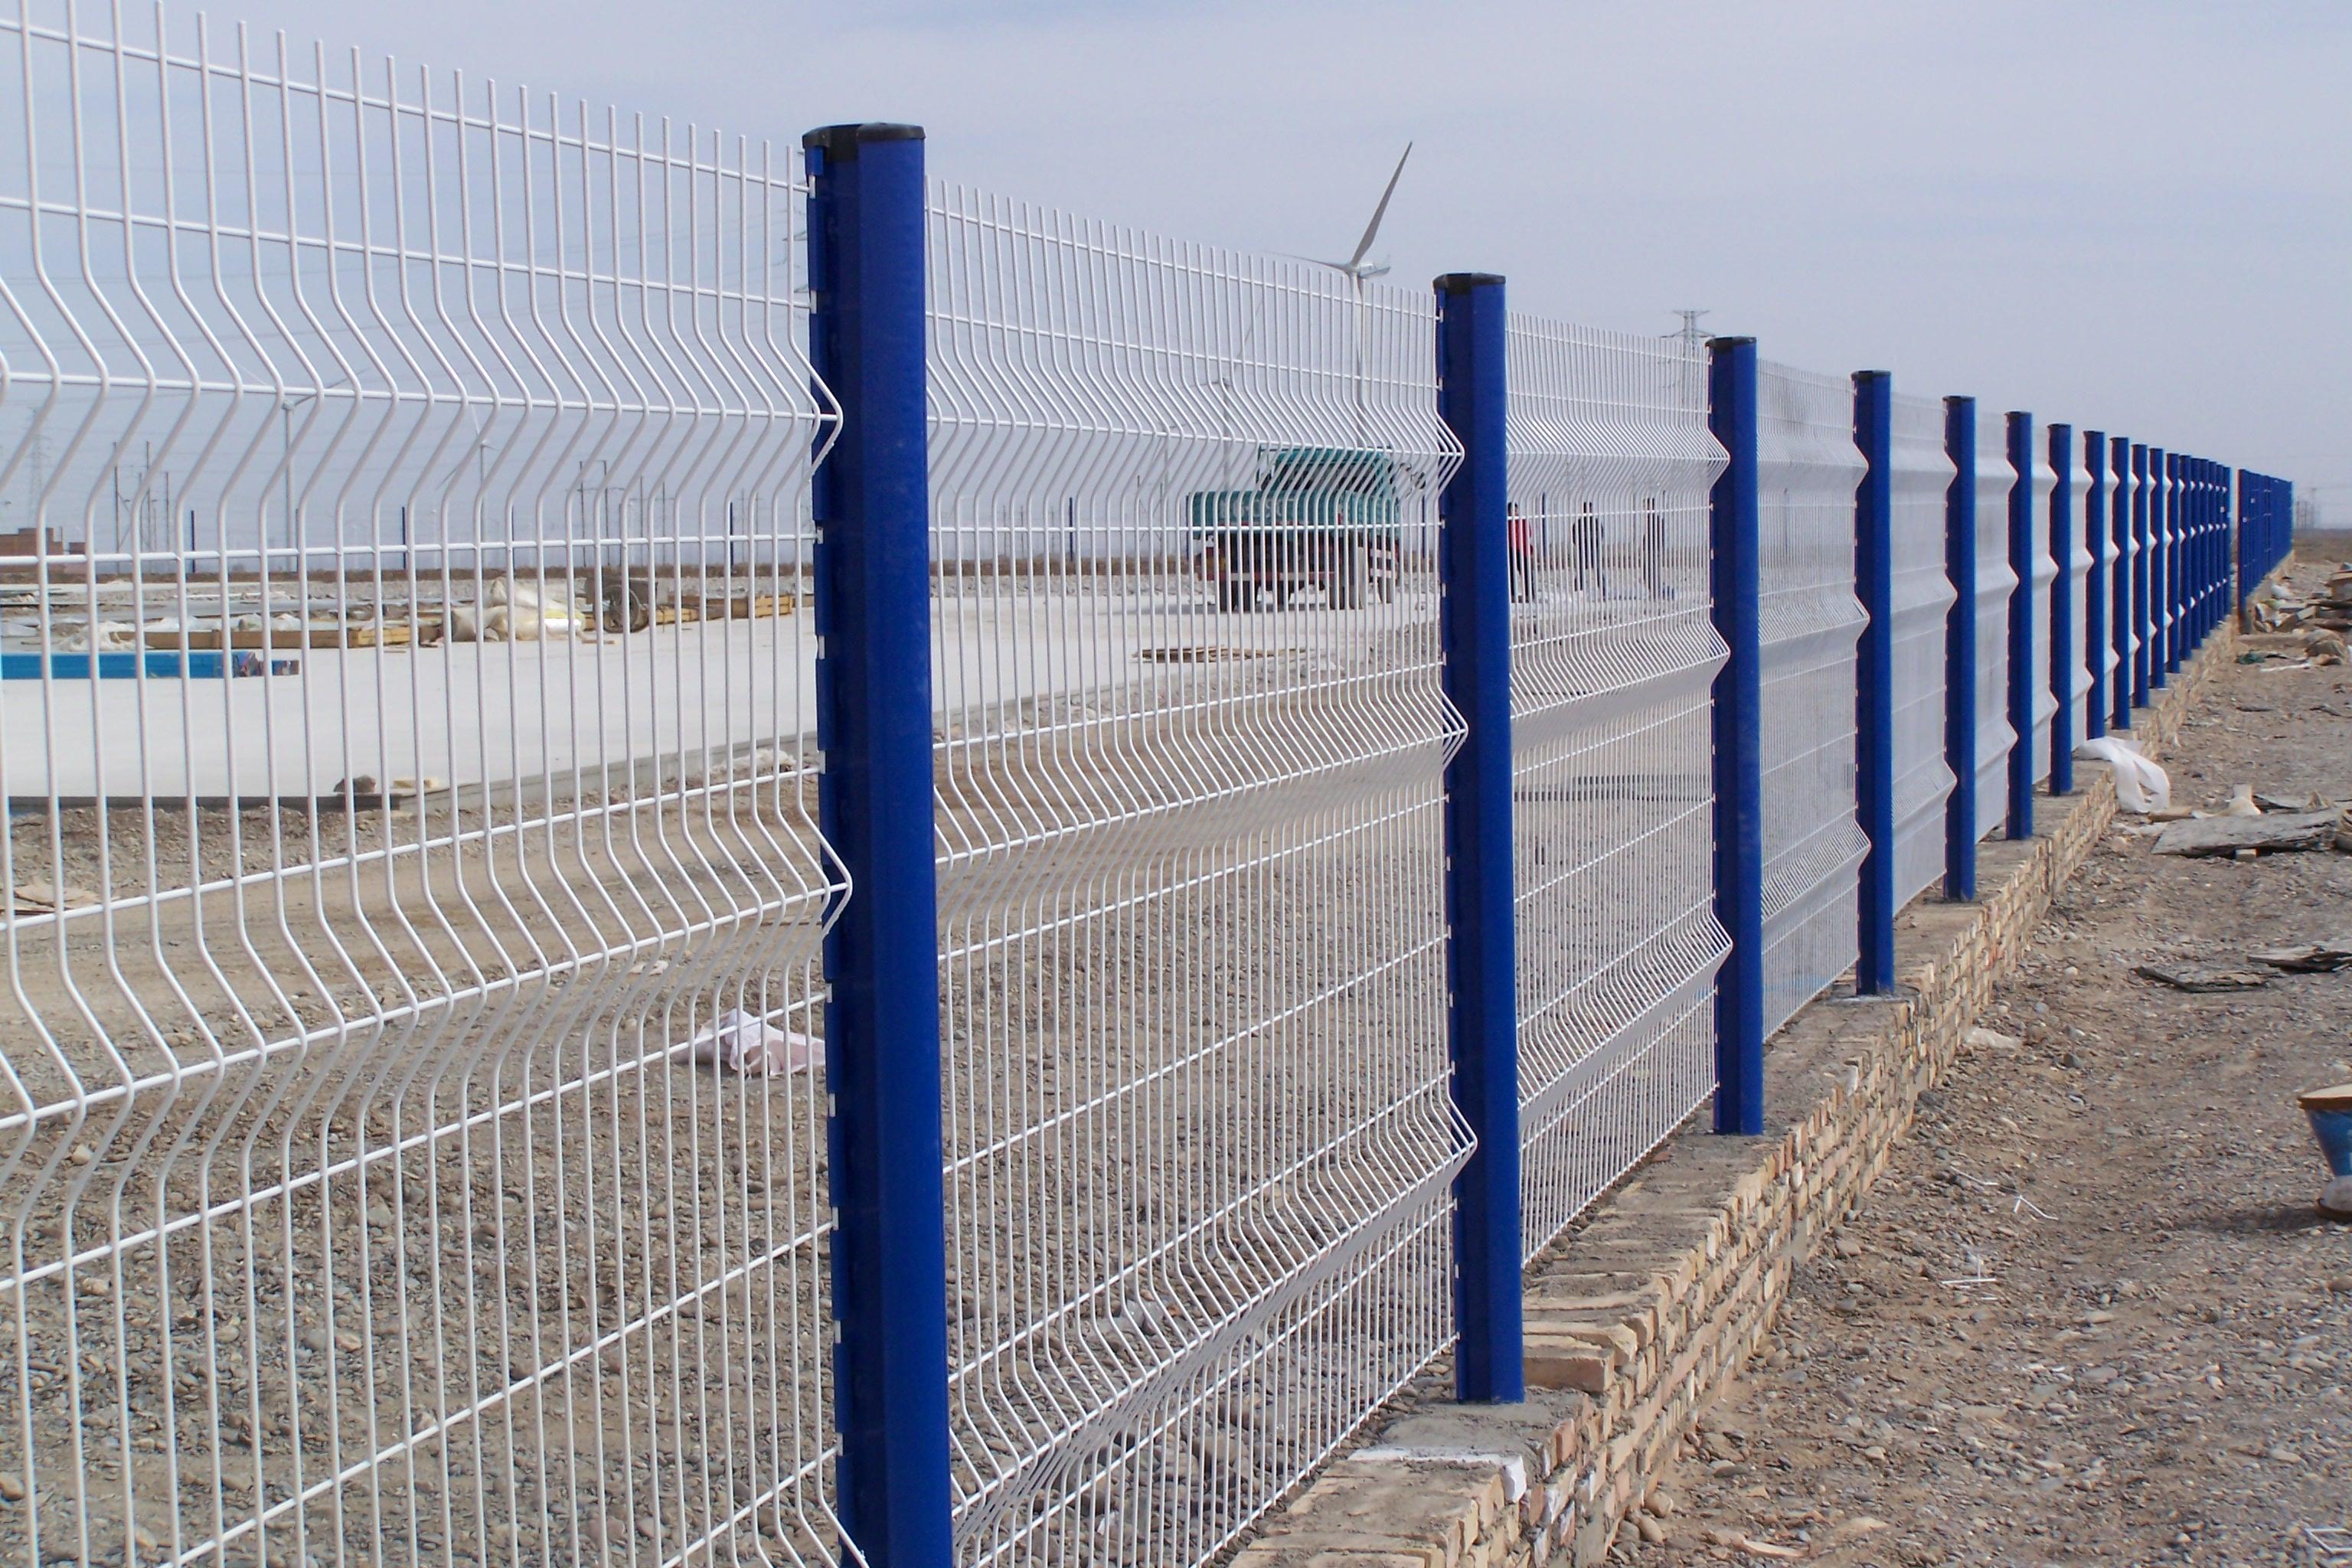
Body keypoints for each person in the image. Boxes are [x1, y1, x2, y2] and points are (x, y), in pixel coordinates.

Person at [1641, 495, 1671, 599]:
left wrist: (1654, 546)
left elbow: (1656, 534)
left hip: (1653, 548)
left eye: (1646, 505)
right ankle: (1654, 591)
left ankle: (1655, 591)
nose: (1644, 508)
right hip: (1651, 548)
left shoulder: (1654, 519)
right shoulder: (1650, 518)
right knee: (1649, 570)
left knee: (1651, 570)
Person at [1571, 501, 1605, 596]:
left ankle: (1603, 590)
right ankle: (1578, 591)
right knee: (1581, 571)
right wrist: (1581, 544)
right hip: (1583, 549)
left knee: (1598, 571)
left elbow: (1601, 534)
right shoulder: (1579, 523)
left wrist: (1595, 543)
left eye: (1590, 509)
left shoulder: (1596, 522)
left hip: (1594, 549)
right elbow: (1574, 536)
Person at [1506, 503, 1534, 602]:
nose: (1513, 512)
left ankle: (1529, 594)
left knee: (1526, 573)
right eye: (1511, 510)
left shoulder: (1522, 520)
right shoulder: (1507, 521)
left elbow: (1528, 534)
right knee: (1511, 574)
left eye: (1515, 510)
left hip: (1522, 549)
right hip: (1511, 549)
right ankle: (1513, 595)